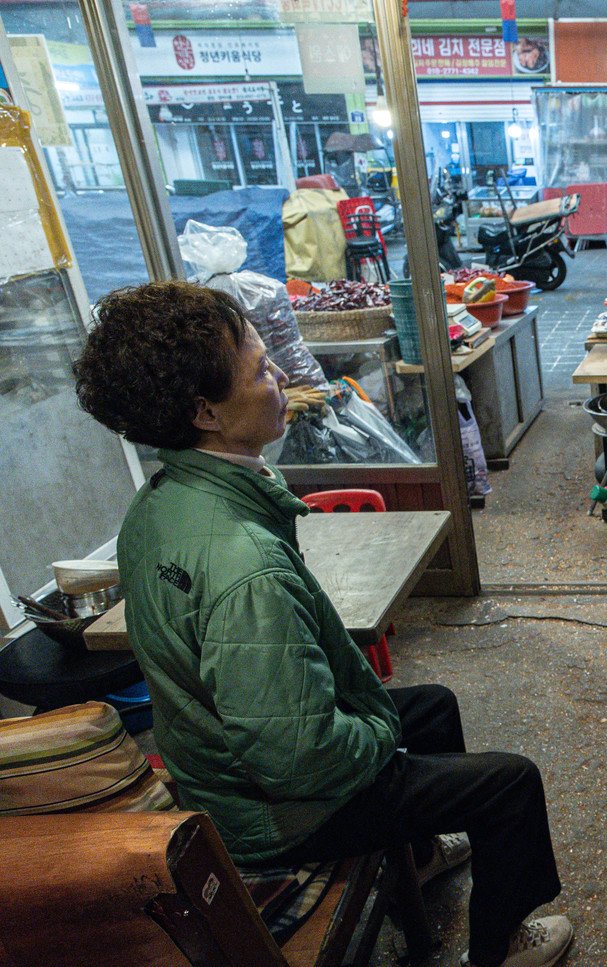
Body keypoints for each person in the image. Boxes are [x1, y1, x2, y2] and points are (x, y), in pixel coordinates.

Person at [72, 281, 571, 967]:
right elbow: (296, 755)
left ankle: (419, 855)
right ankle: (498, 945)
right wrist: (377, 731)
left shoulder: (157, 503)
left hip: (221, 772)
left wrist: (378, 723)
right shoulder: (243, 564)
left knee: (434, 705)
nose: (278, 375)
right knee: (510, 783)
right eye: (259, 369)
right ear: (204, 411)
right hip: (276, 812)